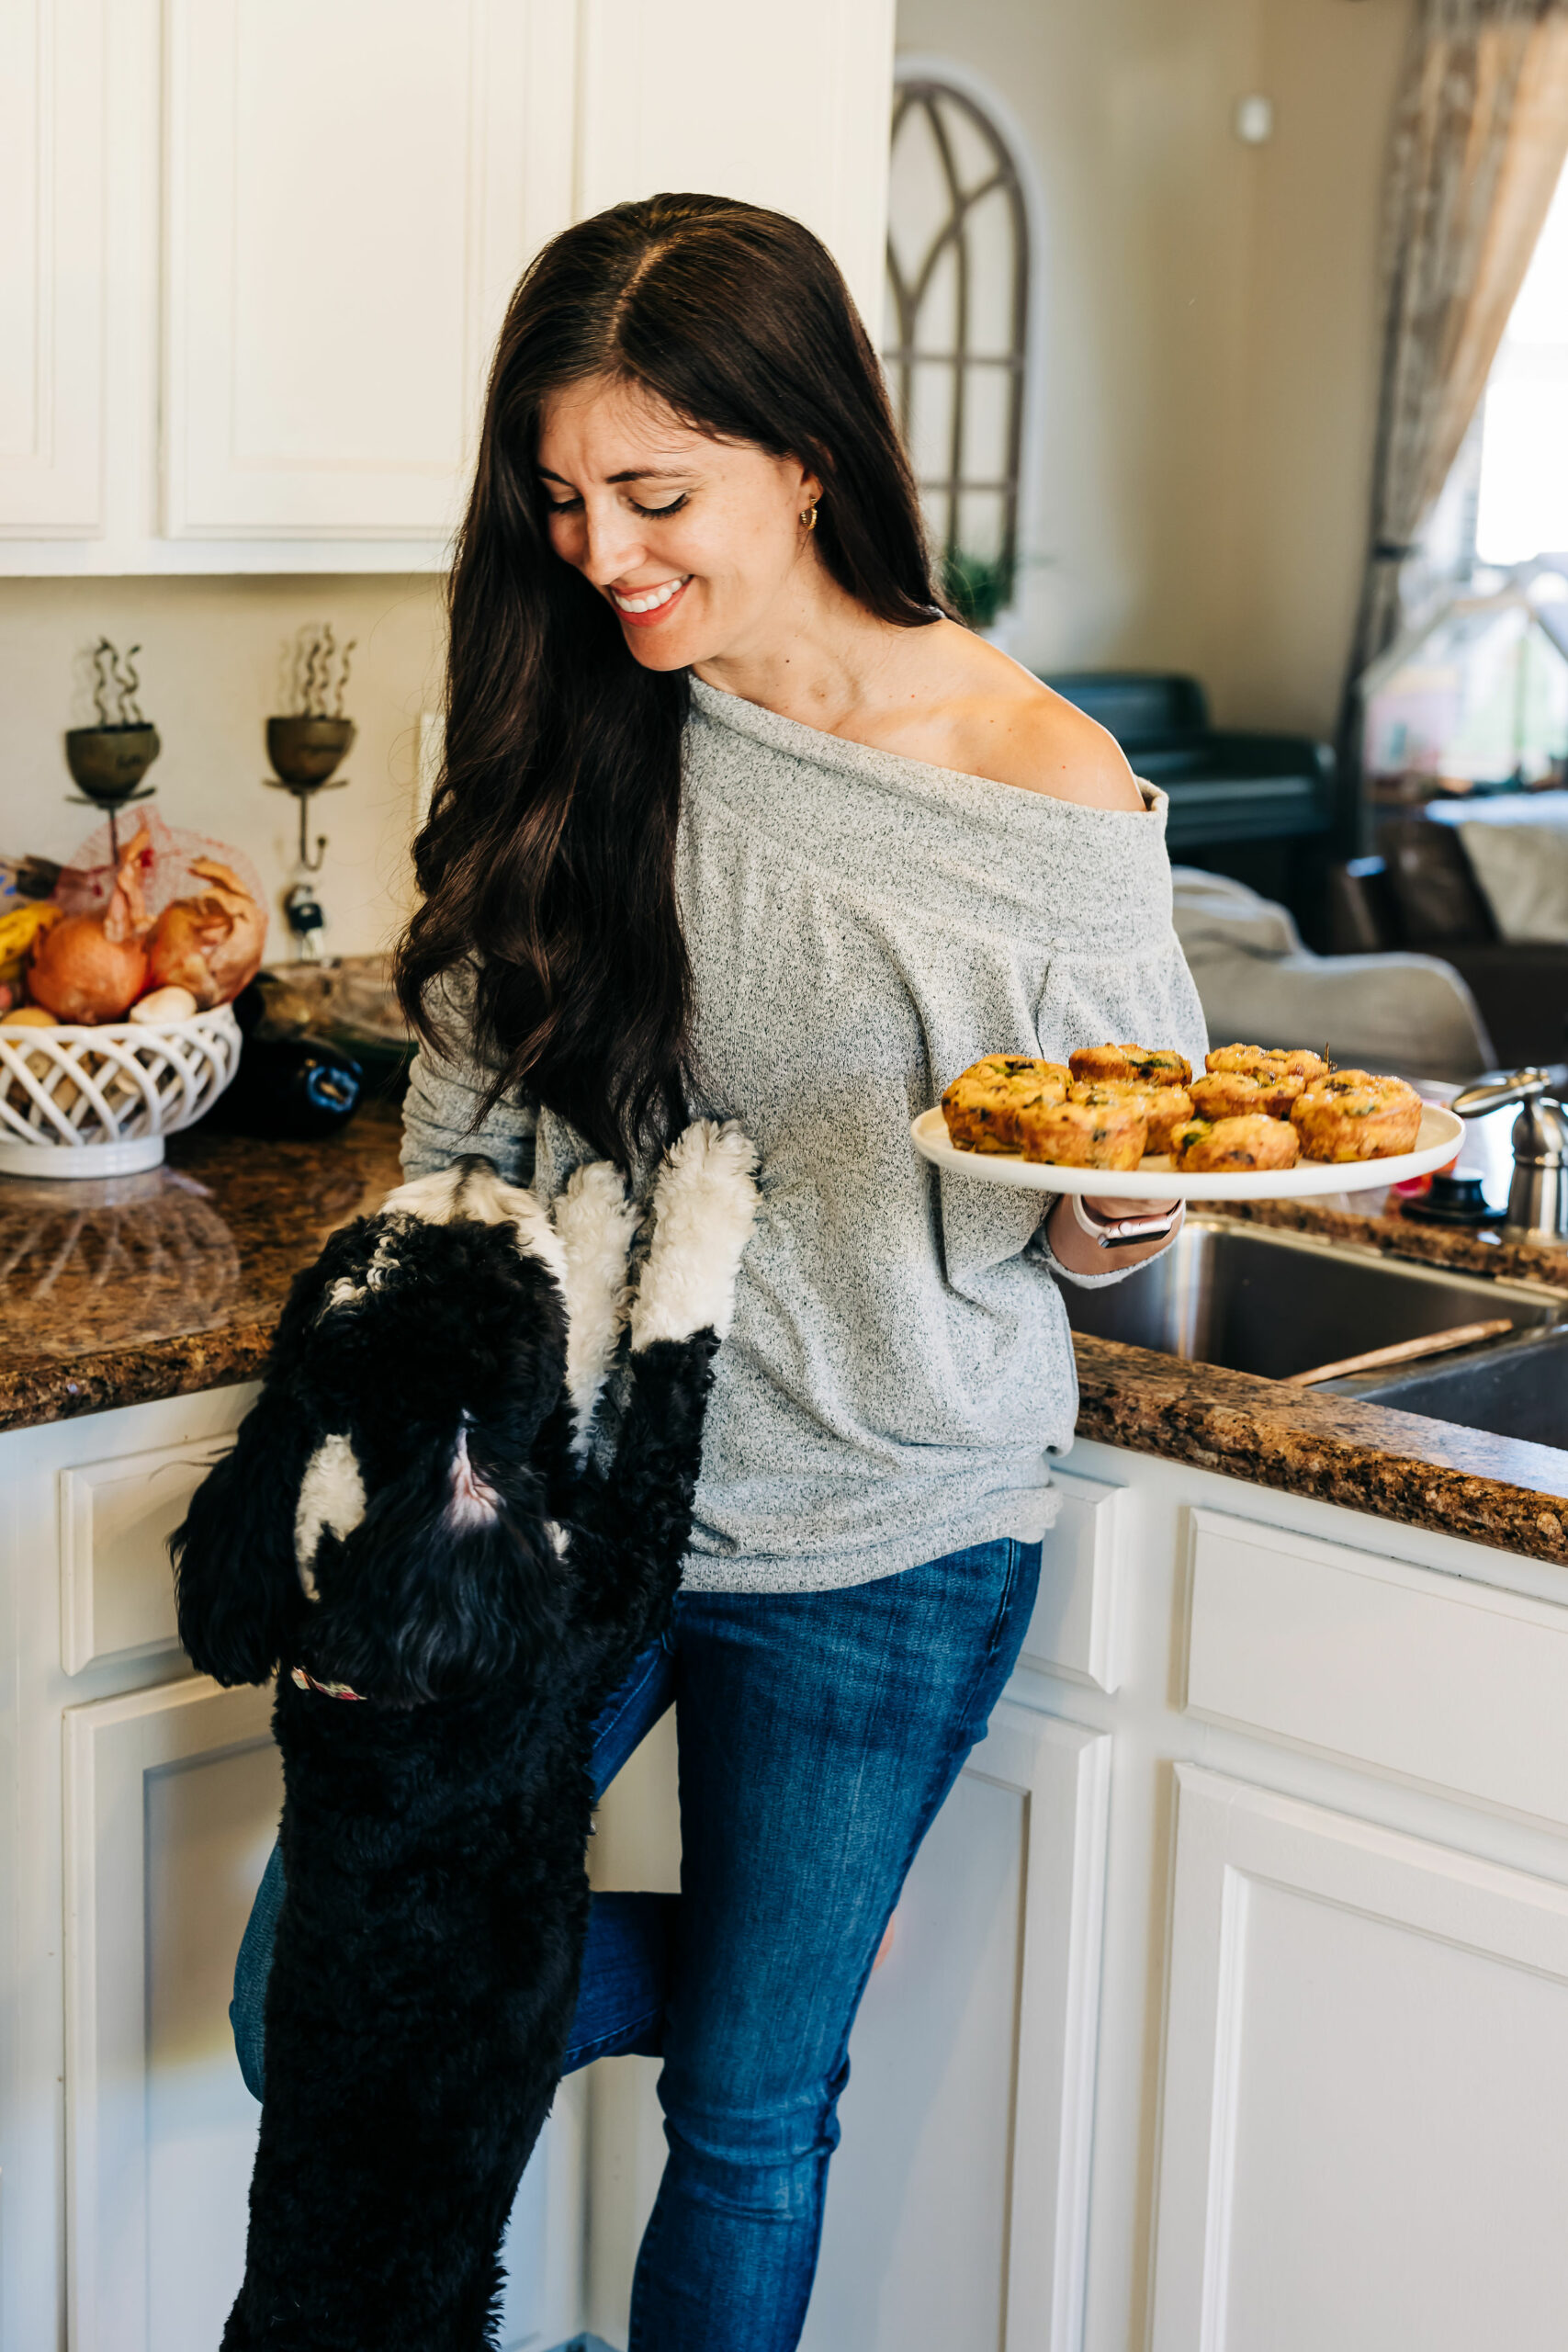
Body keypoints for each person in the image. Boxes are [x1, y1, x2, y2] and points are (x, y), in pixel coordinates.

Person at [231, 192, 1202, 2350]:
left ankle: (770, 1980)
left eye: (653, 493)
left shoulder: (1046, 789)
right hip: (552, 1517)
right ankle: (761, 1948)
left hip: (885, 1520)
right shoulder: (575, 711)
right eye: (563, 498)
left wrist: (1106, 1213)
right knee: (306, 2004)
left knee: (753, 2115)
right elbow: (463, 1118)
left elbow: (1113, 1166)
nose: (599, 550)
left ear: (805, 455)